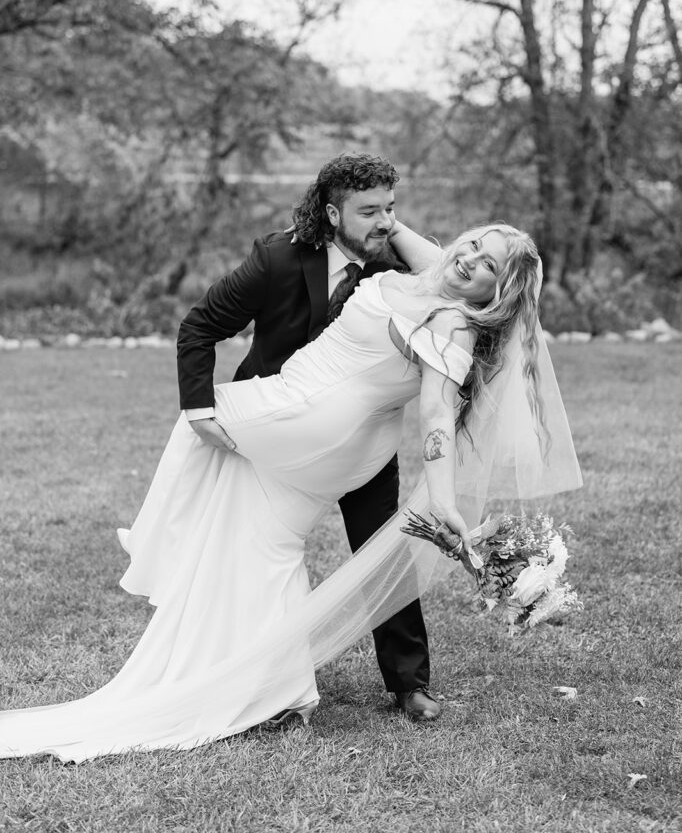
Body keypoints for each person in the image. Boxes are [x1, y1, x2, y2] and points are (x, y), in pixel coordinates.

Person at [0, 221, 582, 763]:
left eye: (487, 267)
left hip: (313, 425)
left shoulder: (453, 322)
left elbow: (435, 413)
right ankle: (275, 685)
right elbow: (446, 257)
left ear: (497, 293)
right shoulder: (435, 275)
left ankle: (155, 549)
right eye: (472, 245)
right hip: (318, 424)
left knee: (207, 413)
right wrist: (391, 220)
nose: (470, 260)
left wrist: (445, 500)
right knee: (263, 542)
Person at [177, 153, 440, 722]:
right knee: (260, 553)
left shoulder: (398, 268)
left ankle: (409, 682)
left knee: (385, 550)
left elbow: (449, 275)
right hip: (281, 433)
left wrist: (392, 229)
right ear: (331, 212)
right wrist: (200, 409)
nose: (384, 222)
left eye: (391, 208)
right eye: (368, 211)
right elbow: (200, 327)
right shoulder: (276, 258)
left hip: (365, 439)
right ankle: (263, 680)